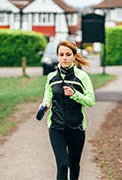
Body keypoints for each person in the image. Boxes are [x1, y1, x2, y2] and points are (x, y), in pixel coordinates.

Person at [38, 41, 95, 180]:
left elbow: (91, 101)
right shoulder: (51, 78)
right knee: (62, 165)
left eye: (68, 54)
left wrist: (75, 94)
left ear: (74, 56)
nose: (64, 58)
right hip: (56, 128)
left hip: (77, 129)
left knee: (74, 166)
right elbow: (47, 98)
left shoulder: (82, 77)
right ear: (57, 57)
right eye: (61, 55)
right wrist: (44, 106)